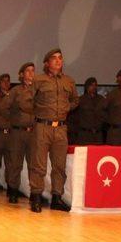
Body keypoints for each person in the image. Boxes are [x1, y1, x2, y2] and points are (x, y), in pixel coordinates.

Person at [29, 48, 79, 213]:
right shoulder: (38, 80)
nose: (58, 61)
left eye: (60, 58)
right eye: (54, 58)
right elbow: (28, 101)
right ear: (46, 63)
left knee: (59, 165)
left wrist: (65, 108)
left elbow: (75, 101)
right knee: (39, 165)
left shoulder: (69, 81)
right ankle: (35, 196)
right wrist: (39, 112)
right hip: (43, 126)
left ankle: (57, 197)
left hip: (61, 128)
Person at [7, 62, 35, 204]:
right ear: (21, 74)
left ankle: (35, 193)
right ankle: (13, 191)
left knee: (34, 164)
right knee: (15, 163)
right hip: (18, 132)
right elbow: (6, 108)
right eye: (28, 71)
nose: (31, 73)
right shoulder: (16, 91)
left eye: (33, 71)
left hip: (34, 133)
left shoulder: (39, 90)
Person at [72, 77, 104, 145]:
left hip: (98, 135)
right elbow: (75, 118)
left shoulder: (101, 99)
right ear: (87, 87)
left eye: (95, 85)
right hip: (84, 135)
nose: (94, 87)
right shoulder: (80, 100)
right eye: (91, 85)